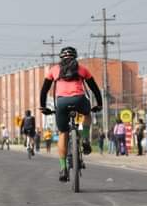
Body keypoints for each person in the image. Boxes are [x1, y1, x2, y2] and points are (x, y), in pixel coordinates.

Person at [39, 46, 103, 182]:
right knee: (87, 114)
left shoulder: (54, 70)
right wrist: (99, 104)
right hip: (80, 100)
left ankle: (63, 168)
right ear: (75, 57)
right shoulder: (82, 69)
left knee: (63, 133)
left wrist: (43, 107)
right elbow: (94, 88)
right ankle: (85, 138)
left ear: (61, 58)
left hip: (61, 103)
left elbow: (44, 90)